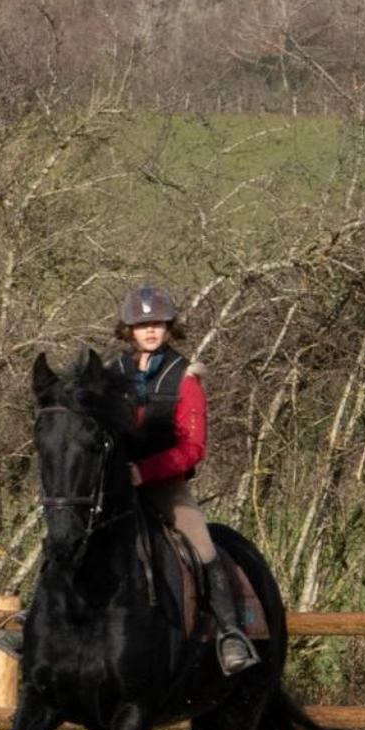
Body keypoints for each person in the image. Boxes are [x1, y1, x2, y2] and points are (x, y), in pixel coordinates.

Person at [107, 284, 257, 675]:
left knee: (203, 547)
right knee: (68, 531)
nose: (150, 331)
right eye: (142, 325)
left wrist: (144, 472)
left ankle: (230, 634)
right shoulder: (111, 375)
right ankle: (36, 621)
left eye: (157, 323)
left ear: (169, 327)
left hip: (163, 486)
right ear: (129, 331)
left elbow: (193, 448)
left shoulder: (185, 379)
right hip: (112, 485)